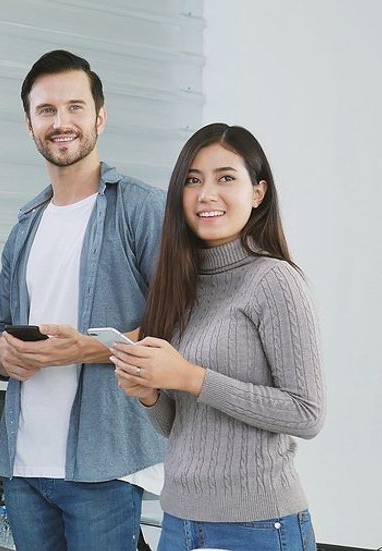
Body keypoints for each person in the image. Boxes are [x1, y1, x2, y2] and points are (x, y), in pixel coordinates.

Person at [0, 49, 167, 551]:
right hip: (23, 466)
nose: (61, 122)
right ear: (29, 124)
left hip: (104, 467)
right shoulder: (25, 225)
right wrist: (0, 353)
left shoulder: (141, 208)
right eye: (46, 111)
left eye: (75, 107)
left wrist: (84, 348)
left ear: (100, 117)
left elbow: (179, 326)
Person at [112, 123, 325, 551]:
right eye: (193, 180)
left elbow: (306, 413)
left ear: (258, 193)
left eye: (226, 177)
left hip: (258, 527)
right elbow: (177, 426)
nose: (206, 194)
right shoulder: (178, 286)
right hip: (179, 521)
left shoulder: (274, 280)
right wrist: (150, 393)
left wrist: (191, 377)